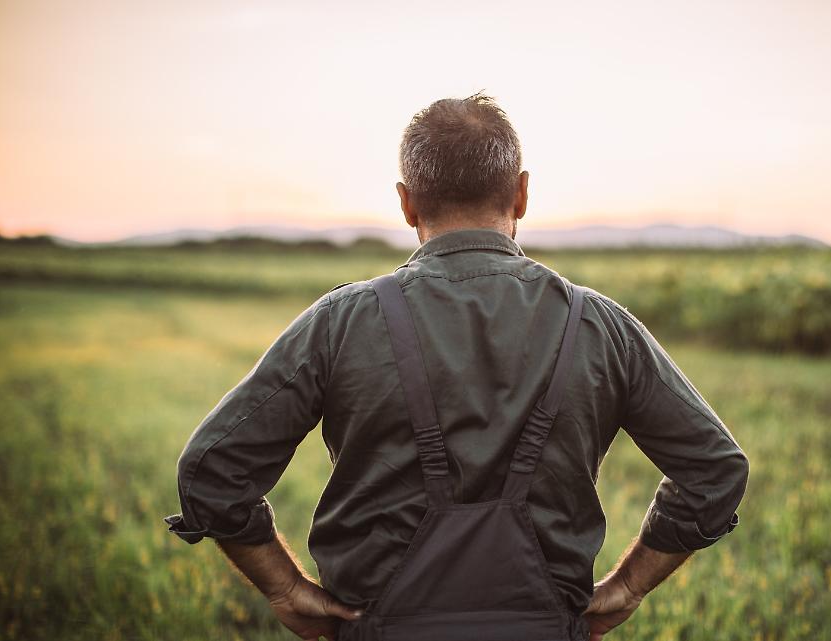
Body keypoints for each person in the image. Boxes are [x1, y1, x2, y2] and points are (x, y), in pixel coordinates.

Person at [164, 93, 749, 641]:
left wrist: (286, 589)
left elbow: (213, 469)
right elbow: (715, 471)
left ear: (407, 201)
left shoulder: (342, 322)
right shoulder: (598, 326)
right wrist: (628, 586)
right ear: (521, 195)